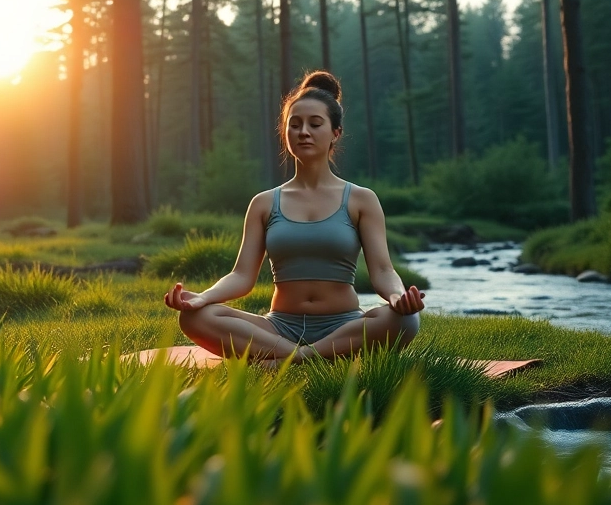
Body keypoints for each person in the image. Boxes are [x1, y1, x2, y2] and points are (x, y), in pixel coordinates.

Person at [163, 71, 424, 363]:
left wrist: (398, 297)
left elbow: (383, 271)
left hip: (343, 326)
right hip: (277, 327)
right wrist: (203, 298)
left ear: (335, 132)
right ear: (285, 133)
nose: (303, 132)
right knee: (194, 319)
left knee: (406, 321)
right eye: (294, 124)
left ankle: (290, 359)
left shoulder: (362, 199)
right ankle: (312, 357)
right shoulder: (264, 203)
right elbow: (241, 276)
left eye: (315, 124)